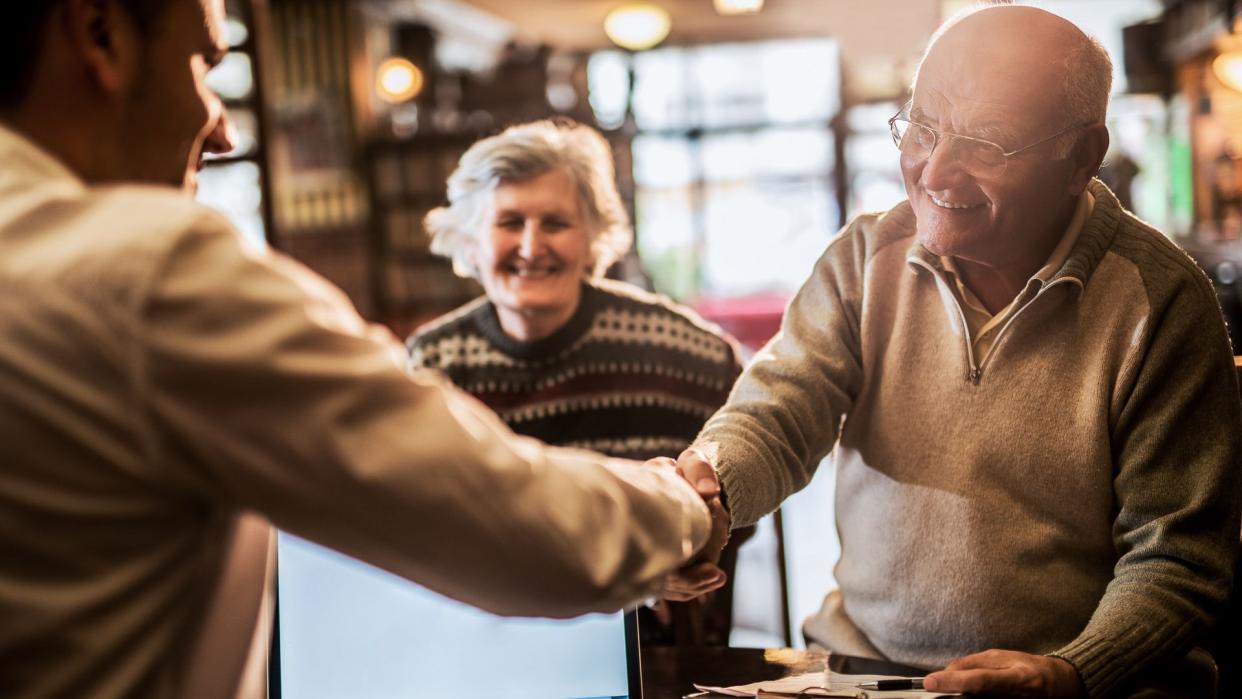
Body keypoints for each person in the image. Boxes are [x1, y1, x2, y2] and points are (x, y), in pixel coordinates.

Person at [0, 1, 726, 697]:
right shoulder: (149, 273)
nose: (218, 129)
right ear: (98, 32)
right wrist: (685, 508)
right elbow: (515, 519)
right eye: (202, 64)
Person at [672, 6, 1241, 698]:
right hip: (865, 672)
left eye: (987, 143)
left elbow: (1177, 556)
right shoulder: (864, 259)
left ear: (1082, 156)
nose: (934, 169)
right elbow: (780, 411)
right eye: (923, 127)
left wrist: (1072, 670)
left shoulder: (1160, 302)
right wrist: (711, 487)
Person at [407, 119, 751, 645]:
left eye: (556, 223)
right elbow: (427, 523)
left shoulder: (692, 354)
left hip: (656, 653)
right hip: (493, 643)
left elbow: (744, 491)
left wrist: (696, 547)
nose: (531, 245)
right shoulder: (433, 363)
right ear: (470, 242)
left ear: (593, 236)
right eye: (509, 221)